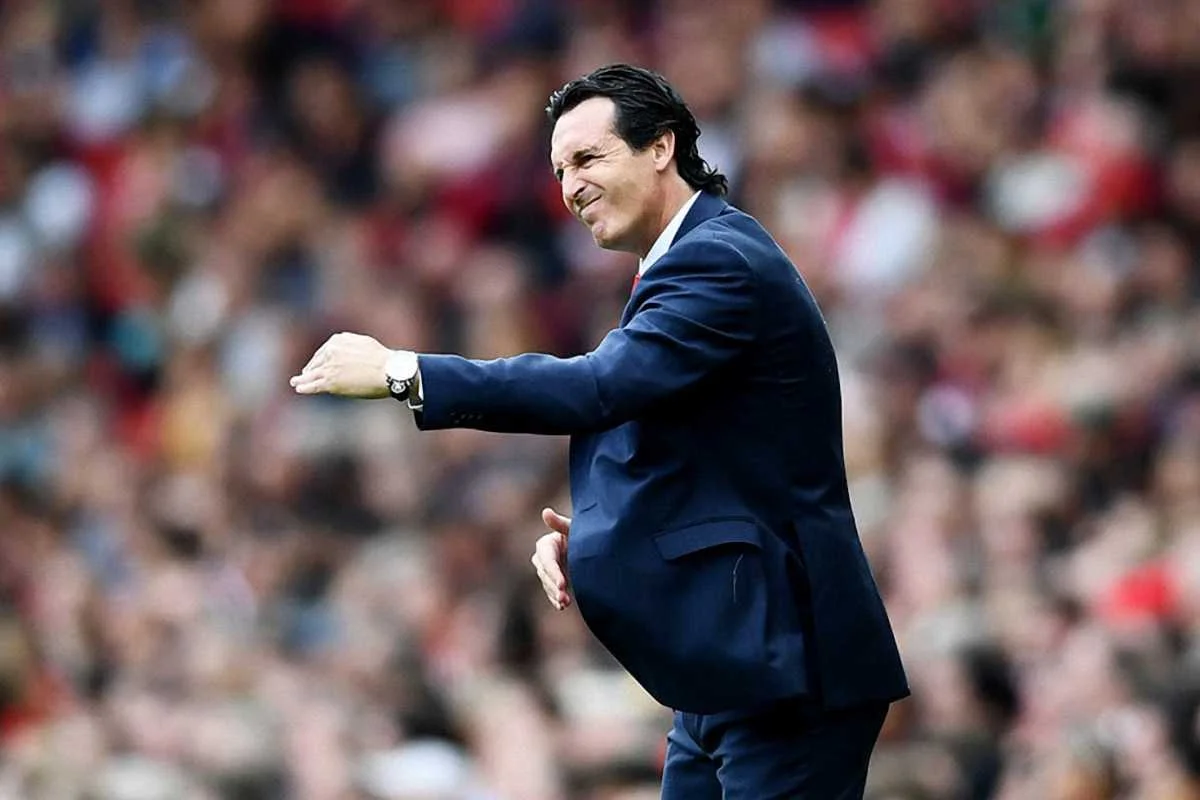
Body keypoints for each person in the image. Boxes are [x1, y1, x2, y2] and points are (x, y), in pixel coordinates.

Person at [290, 64, 908, 799]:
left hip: (787, 664)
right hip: (729, 669)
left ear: (661, 147)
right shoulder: (681, 266)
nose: (570, 187)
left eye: (587, 158)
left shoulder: (719, 259)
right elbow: (699, 455)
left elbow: (596, 388)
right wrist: (596, 536)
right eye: (559, 171)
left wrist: (405, 371)